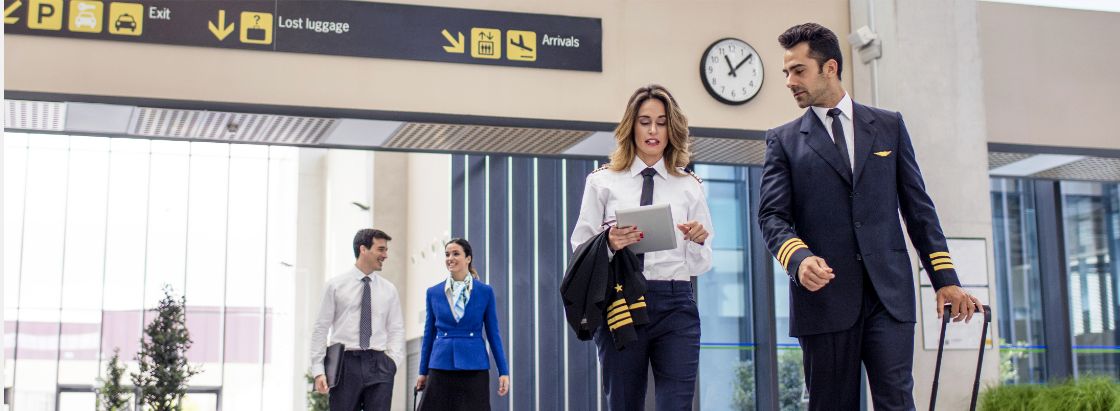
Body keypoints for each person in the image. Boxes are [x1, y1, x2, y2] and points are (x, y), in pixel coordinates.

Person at [758, 23, 985, 410]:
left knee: (897, 401)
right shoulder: (783, 140)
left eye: (798, 70)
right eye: (787, 73)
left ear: (829, 67)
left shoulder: (888, 126)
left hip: (889, 297)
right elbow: (771, 217)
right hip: (824, 299)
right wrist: (798, 259)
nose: (789, 81)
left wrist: (945, 280)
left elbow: (919, 209)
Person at [570, 84, 713, 410]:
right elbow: (579, 246)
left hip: (676, 303)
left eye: (661, 122)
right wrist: (608, 242)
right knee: (623, 402)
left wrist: (696, 240)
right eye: (645, 121)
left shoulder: (690, 187)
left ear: (671, 128)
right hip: (621, 300)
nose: (653, 130)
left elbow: (701, 264)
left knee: (676, 404)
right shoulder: (602, 182)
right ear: (630, 126)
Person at [310, 228, 405, 411]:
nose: (385, 255)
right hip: (345, 364)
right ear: (363, 249)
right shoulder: (335, 286)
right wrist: (318, 370)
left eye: (386, 250)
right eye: (381, 249)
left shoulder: (389, 290)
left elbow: (396, 329)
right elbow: (321, 328)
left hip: (380, 363)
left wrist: (392, 362)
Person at [415, 238, 510, 411]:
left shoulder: (485, 292)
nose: (450, 258)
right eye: (447, 254)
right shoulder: (433, 292)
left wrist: (503, 371)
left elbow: (493, 334)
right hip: (440, 365)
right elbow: (428, 335)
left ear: (468, 258)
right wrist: (423, 372)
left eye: (456, 253)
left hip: (474, 366)